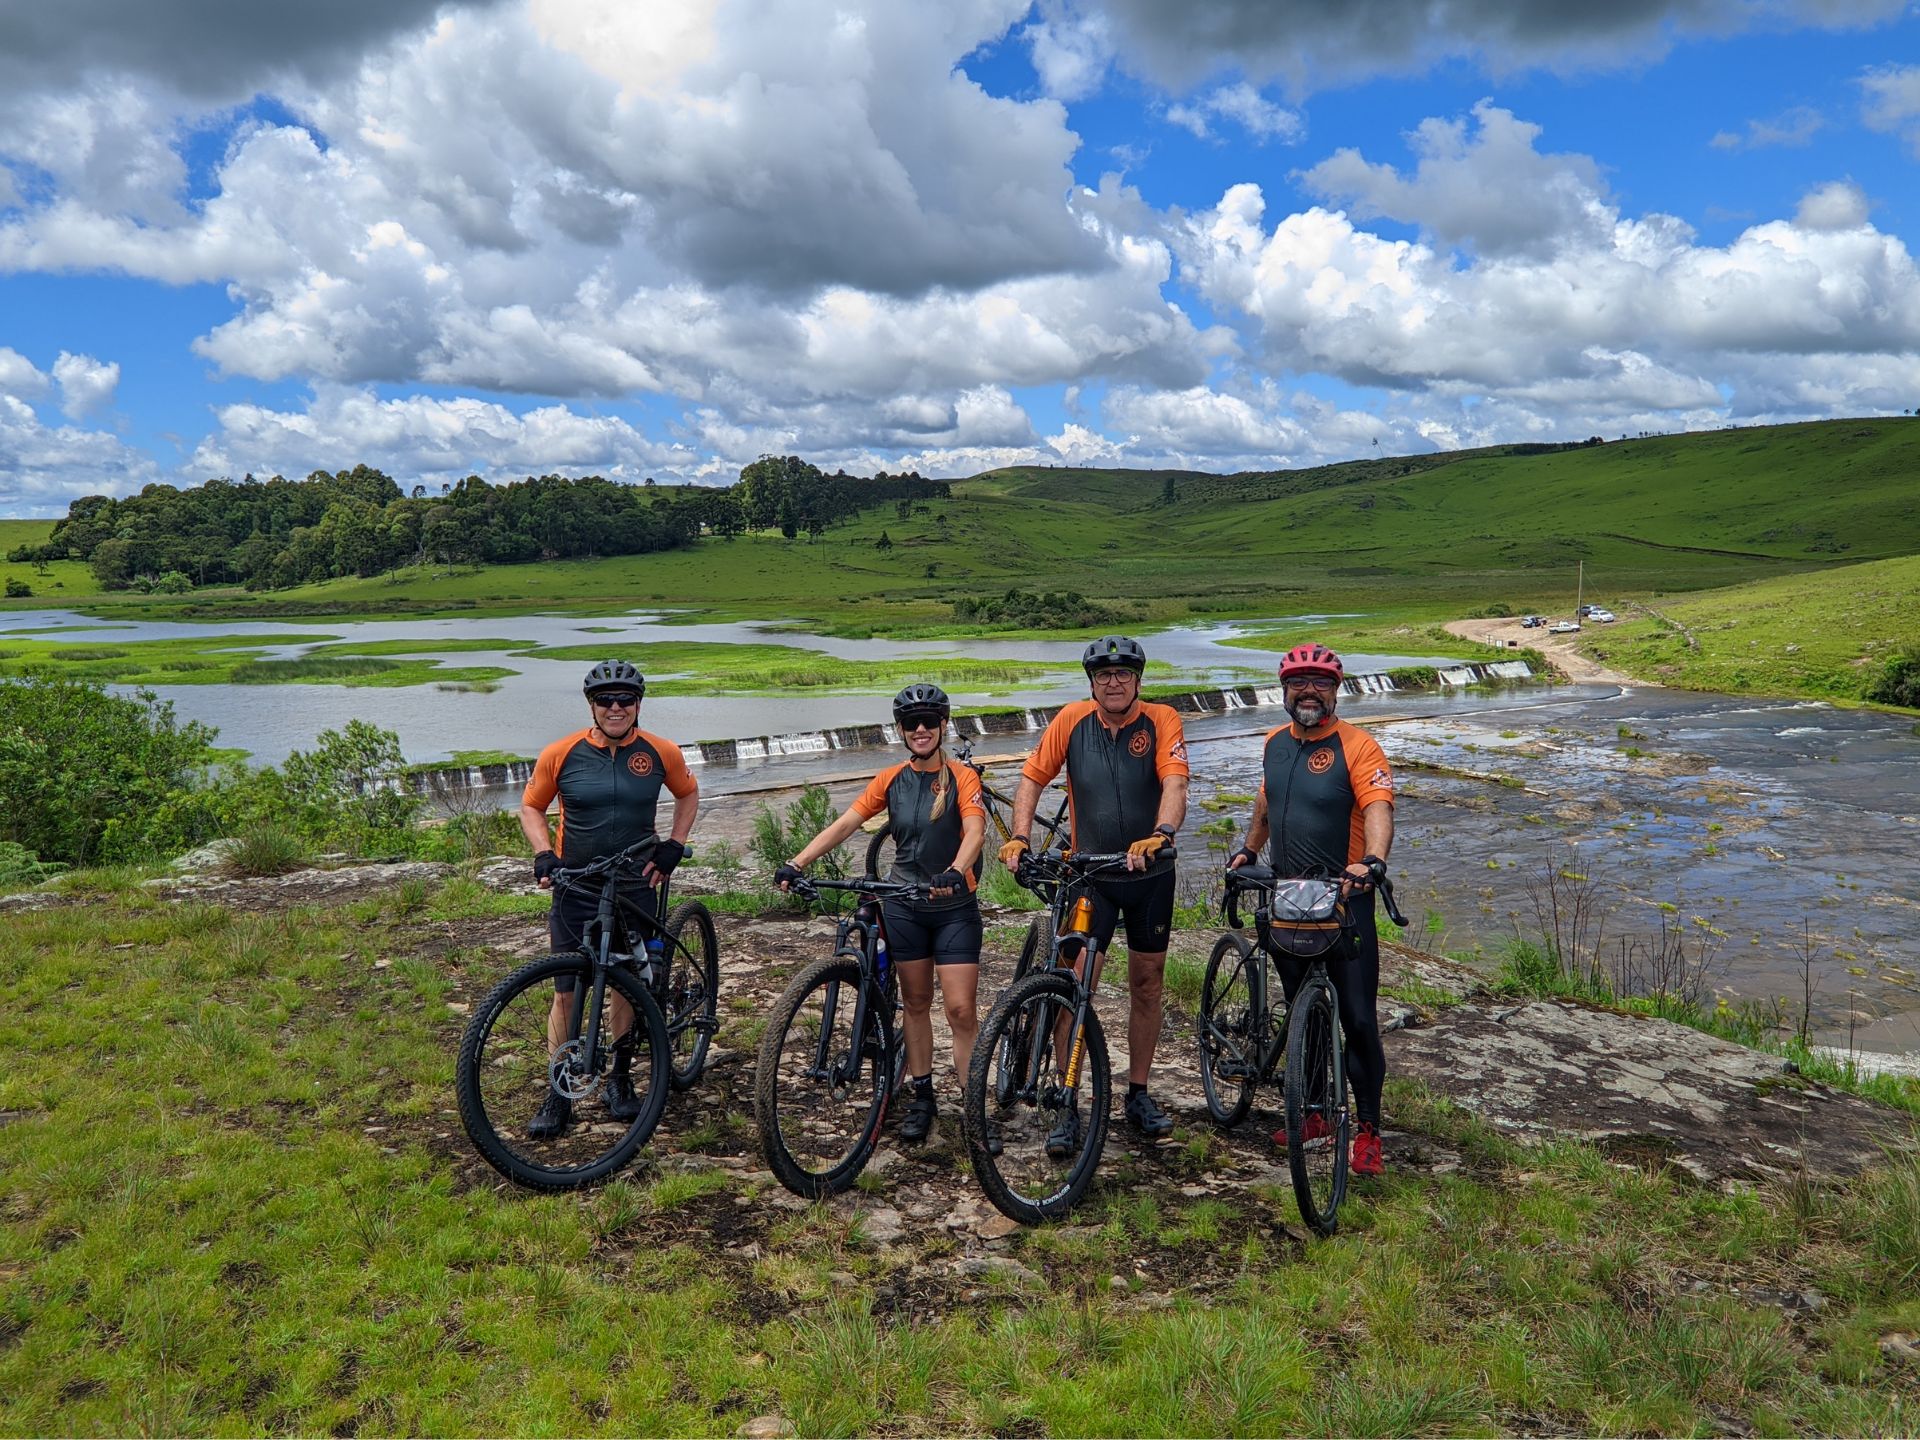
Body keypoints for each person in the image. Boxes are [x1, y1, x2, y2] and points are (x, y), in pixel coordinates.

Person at [1000, 635, 1189, 1151]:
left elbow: (1175, 784)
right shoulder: (1071, 720)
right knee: (1073, 987)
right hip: (1090, 875)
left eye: (1123, 673)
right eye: (1104, 674)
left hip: (1148, 873)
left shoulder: (1161, 720)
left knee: (1147, 985)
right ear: (1091, 682)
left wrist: (1163, 835)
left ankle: (1138, 1094)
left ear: (1138, 680)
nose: (1113, 681)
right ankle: (1068, 1102)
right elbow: (1030, 780)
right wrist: (1020, 835)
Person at [775, 683, 986, 1143]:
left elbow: (974, 831)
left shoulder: (962, 778)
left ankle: (974, 1107)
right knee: (914, 1003)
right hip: (903, 903)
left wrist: (955, 870)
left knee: (960, 1009)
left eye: (930, 721)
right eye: (912, 723)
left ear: (944, 725)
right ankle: (923, 1095)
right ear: (901, 730)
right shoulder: (890, 779)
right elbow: (846, 823)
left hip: (952, 906)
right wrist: (797, 862)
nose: (922, 729)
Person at [1227, 642, 1395, 1176]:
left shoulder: (1359, 747)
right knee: (1305, 1005)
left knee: (1359, 1019)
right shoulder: (1275, 743)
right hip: (1287, 896)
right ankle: (1318, 1112)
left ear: (1336, 689)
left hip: (1346, 901)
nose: (1309, 691)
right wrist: (1248, 849)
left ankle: (1367, 1131)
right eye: (1298, 681)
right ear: (1284, 689)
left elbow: (1378, 808)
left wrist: (1371, 861)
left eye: (1320, 682)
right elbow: (1267, 802)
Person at [518, 659, 699, 1138]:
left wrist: (675, 845)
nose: (616, 708)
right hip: (576, 883)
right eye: (606, 700)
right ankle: (560, 1090)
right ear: (592, 706)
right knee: (566, 992)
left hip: (636, 881)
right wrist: (542, 854)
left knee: (622, 981)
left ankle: (618, 1079)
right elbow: (532, 805)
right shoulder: (562, 753)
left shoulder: (660, 752)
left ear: (638, 705)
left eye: (625, 700)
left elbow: (688, 793)